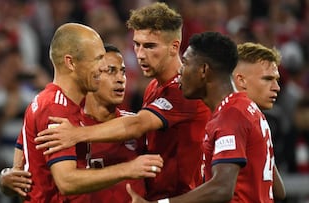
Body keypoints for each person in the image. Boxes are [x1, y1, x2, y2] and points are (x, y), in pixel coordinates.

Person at [35, 2, 211, 201]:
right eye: (137, 44)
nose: (140, 54)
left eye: (150, 46)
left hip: (179, 198)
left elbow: (137, 125)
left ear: (174, 47)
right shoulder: (154, 88)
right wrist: (10, 173)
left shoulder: (186, 90)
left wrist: (77, 134)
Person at [0, 23, 163, 202]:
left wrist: (8, 176)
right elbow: (66, 181)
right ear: (71, 62)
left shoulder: (54, 104)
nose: (101, 68)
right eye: (97, 59)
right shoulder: (55, 108)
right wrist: (128, 169)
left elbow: (20, 166)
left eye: (121, 71)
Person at [127, 33, 286, 202]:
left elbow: (222, 188)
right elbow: (278, 191)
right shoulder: (247, 109)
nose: (180, 70)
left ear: (203, 70)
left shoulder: (230, 116)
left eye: (186, 63)